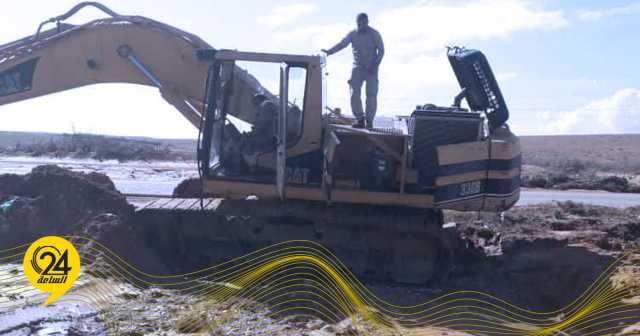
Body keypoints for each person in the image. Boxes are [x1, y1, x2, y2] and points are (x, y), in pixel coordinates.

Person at [322, 13, 384, 129]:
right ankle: (360, 119)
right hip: (358, 67)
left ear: (367, 22)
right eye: (359, 23)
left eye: (364, 23)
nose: (362, 25)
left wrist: (375, 65)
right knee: (354, 93)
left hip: (371, 68)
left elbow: (381, 50)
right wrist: (329, 52)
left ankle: (369, 121)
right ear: (357, 23)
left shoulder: (374, 34)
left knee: (371, 95)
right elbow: (342, 44)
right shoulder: (353, 34)